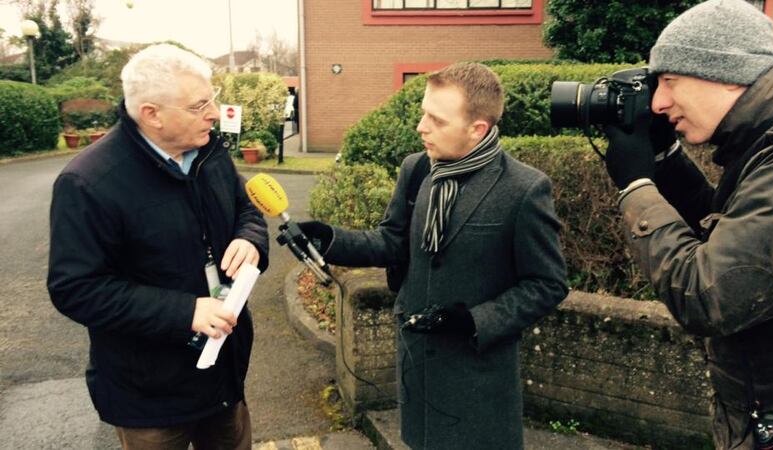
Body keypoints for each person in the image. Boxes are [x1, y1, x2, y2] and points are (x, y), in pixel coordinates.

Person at [299, 62, 567, 449]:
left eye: (436, 120)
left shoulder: (523, 189)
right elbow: (393, 241)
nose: (421, 127)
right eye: (424, 113)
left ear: (478, 129)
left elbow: (548, 284)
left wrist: (474, 321)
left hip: (478, 377)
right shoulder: (418, 169)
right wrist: (330, 238)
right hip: (419, 368)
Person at [47, 44, 269, 450]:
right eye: (199, 105)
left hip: (223, 375)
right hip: (149, 398)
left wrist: (249, 239)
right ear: (152, 114)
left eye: (213, 100)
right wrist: (186, 311)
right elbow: (75, 289)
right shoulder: (88, 183)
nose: (214, 114)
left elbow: (246, 210)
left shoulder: (210, 153)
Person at [601, 1, 773, 448]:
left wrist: (635, 187)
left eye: (670, 80)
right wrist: (665, 163)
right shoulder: (768, 145)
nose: (658, 101)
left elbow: (710, 294)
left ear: (728, 73)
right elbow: (733, 238)